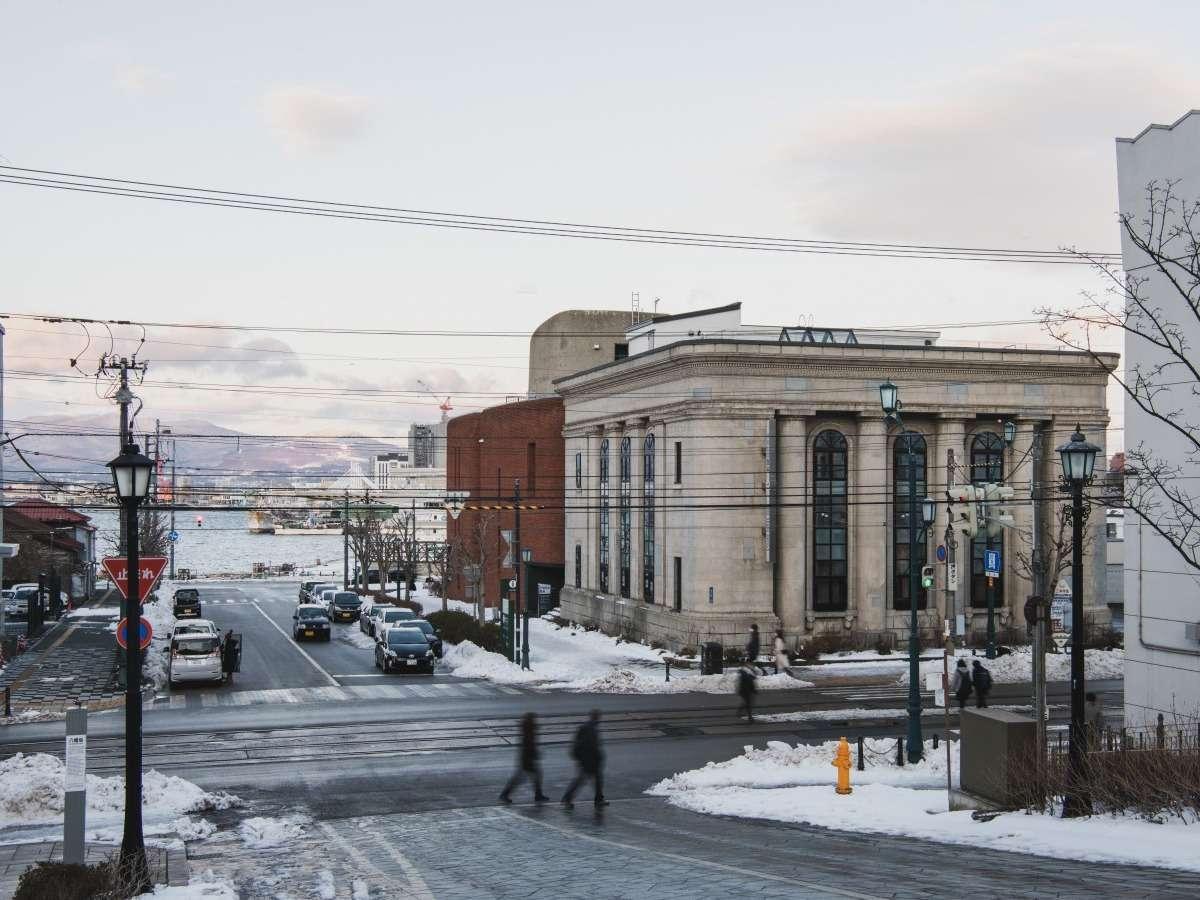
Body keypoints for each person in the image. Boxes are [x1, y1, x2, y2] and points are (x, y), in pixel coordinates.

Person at [562, 709, 607, 809]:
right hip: (589, 760)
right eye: (598, 717)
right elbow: (591, 745)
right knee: (582, 780)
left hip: (587, 759)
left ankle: (598, 800)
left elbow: (579, 743)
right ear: (596, 717)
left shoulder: (588, 727)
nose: (599, 719)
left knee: (595, 780)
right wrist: (599, 756)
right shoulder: (590, 728)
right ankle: (567, 799)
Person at [500, 712, 548, 804]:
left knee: (525, 777)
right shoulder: (529, 732)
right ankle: (505, 794)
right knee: (532, 776)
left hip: (526, 758)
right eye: (533, 719)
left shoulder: (528, 730)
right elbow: (530, 745)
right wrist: (535, 754)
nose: (535, 721)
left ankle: (538, 795)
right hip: (527, 759)